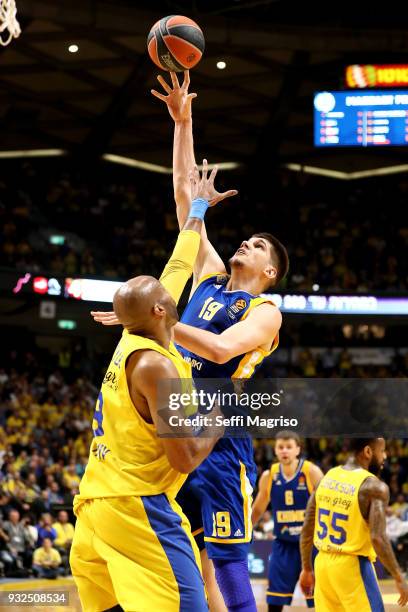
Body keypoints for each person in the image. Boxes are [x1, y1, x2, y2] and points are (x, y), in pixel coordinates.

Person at [92, 71, 288, 612]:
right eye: (245, 239)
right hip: (173, 418)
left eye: (256, 245)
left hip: (220, 438)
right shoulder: (209, 274)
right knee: (179, 552)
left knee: (225, 556)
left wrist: (155, 323)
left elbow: (223, 352)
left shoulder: (266, 311)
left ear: (270, 271)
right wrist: (183, 122)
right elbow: (187, 202)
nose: (244, 243)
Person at [71, 166, 227, 611]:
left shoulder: (136, 333)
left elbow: (180, 260)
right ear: (161, 309)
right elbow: (185, 455)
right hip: (137, 509)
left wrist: (197, 207)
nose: (174, 283)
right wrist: (220, 417)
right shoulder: (158, 367)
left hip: (95, 504)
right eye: (166, 289)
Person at [300, 438, 408, 610]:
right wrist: (398, 575)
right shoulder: (373, 487)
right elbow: (378, 538)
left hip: (322, 566)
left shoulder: (327, 478)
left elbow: (307, 527)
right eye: (382, 451)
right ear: (367, 452)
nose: (385, 456)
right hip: (352, 567)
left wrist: (306, 568)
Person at [252, 431, 323, 611]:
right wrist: (246, 528)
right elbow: (259, 508)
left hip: (311, 545)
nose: (285, 451)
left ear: (297, 449)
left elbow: (327, 503)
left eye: (289, 447)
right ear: (275, 450)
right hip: (283, 544)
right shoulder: (270, 475)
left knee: (320, 599)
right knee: (274, 599)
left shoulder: (311, 471)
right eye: (280, 447)